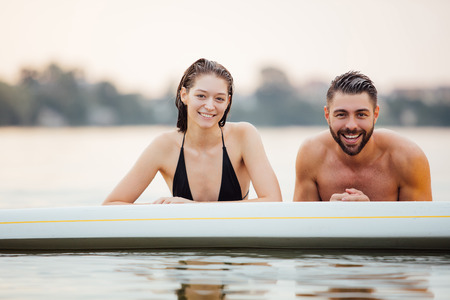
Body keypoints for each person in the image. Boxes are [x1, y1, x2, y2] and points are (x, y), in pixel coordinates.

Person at [103, 58, 281, 204]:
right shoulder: (164, 146)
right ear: (184, 95)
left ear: (228, 102)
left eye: (219, 98)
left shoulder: (244, 135)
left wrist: (193, 208)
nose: (210, 106)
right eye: (201, 96)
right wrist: (162, 207)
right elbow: (111, 205)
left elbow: (273, 201)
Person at [293, 71, 432, 202]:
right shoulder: (311, 155)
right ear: (327, 115)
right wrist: (330, 213)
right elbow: (300, 224)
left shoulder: (408, 158)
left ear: (375, 114)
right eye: (341, 114)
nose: (351, 125)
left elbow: (421, 225)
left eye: (361, 114)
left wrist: (368, 214)